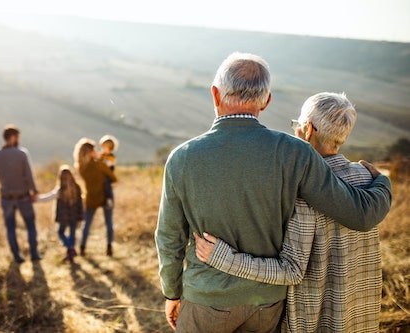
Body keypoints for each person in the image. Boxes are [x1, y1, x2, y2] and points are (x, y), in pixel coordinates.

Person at [154, 52, 392, 333]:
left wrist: (172, 293)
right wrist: (382, 184)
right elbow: (358, 214)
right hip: (267, 303)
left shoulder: (183, 158)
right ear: (266, 101)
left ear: (215, 95)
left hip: (207, 299)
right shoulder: (294, 152)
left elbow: (169, 238)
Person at [194, 92, 384, 332]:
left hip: (315, 320)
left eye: (296, 125)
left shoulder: (301, 189)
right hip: (360, 316)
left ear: (307, 130)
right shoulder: (367, 177)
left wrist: (224, 258)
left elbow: (292, 271)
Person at [0, 124, 42, 263]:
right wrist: (34, 191)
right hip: (23, 196)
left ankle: (17, 256)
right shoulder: (22, 153)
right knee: (30, 225)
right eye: (17, 137)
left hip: (6, 198)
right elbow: (29, 176)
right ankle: (34, 254)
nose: (18, 139)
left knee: (10, 228)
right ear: (12, 137)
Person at [73, 137, 117, 257]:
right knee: (109, 222)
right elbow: (113, 177)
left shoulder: (81, 167)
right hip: (106, 196)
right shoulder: (99, 165)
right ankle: (109, 247)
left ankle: (82, 247)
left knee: (86, 224)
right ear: (91, 151)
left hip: (91, 196)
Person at [37, 164, 84, 262]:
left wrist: (36, 199)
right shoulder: (77, 188)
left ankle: (70, 249)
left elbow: (48, 197)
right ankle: (71, 250)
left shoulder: (60, 190)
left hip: (64, 217)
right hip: (75, 216)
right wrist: (81, 215)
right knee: (72, 234)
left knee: (61, 232)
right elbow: (81, 203)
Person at [98, 134, 119, 209]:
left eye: (105, 147)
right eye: (102, 147)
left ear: (110, 148)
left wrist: (102, 161)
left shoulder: (111, 157)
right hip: (102, 174)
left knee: (107, 185)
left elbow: (109, 164)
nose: (103, 149)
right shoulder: (101, 155)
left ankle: (109, 199)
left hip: (108, 175)